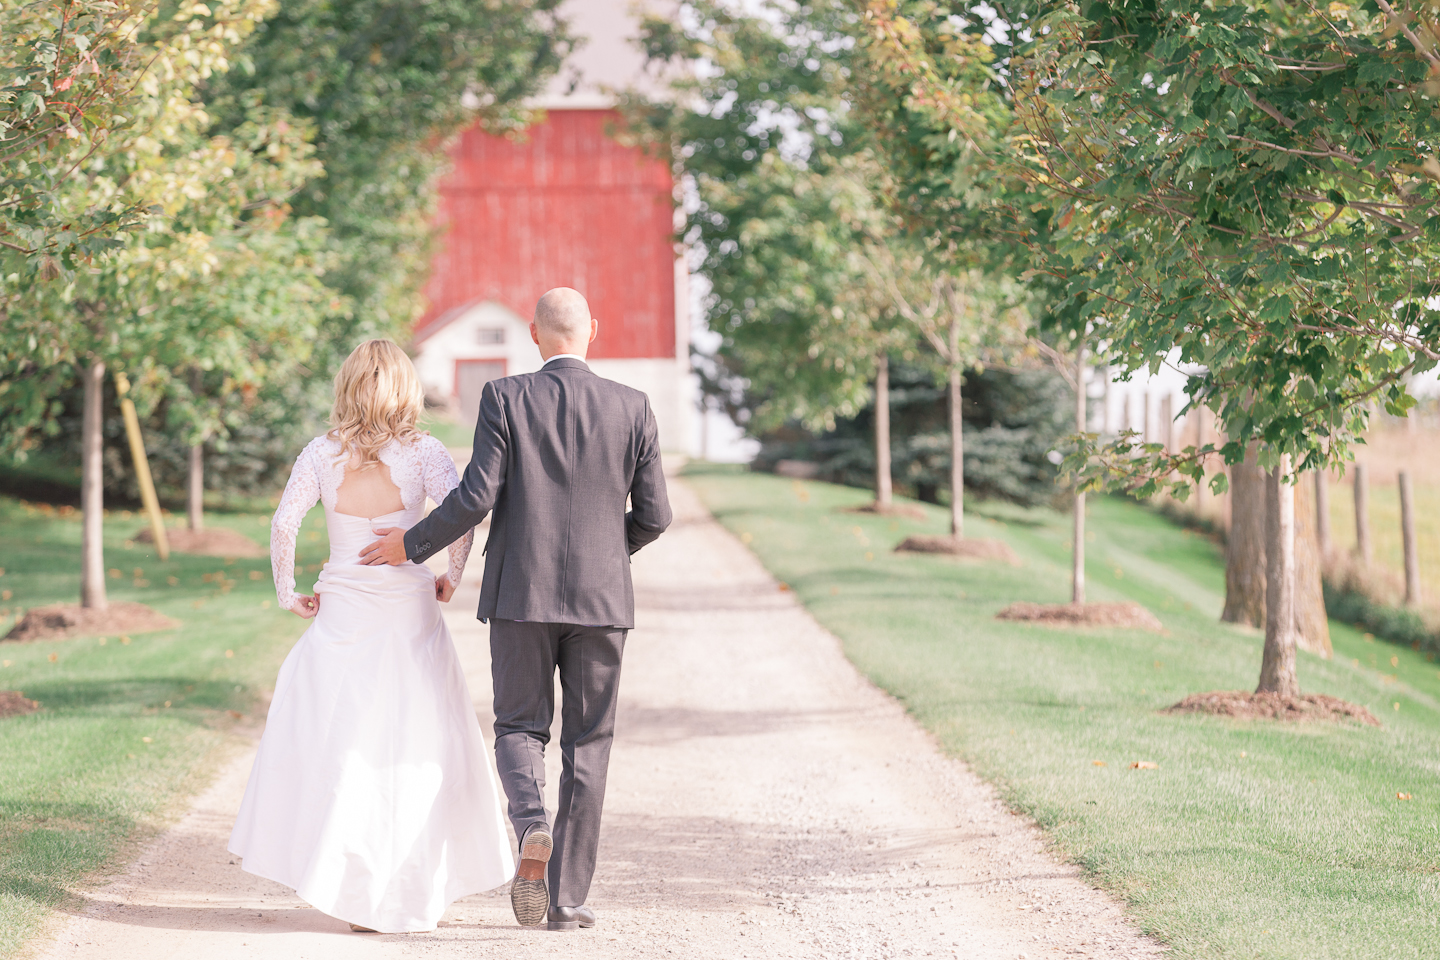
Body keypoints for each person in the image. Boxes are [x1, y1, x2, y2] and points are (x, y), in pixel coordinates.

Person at [360, 287, 672, 931]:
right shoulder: (634, 407)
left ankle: (531, 824)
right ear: (594, 331)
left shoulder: (504, 398)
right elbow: (656, 516)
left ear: (534, 335)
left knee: (519, 728)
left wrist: (411, 545)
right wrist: (614, 554)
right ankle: (566, 902)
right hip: (602, 603)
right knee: (590, 744)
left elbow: (476, 496)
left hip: (519, 596)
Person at [228, 340, 514, 934]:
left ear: (347, 387)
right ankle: (408, 888)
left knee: (342, 743)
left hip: (343, 614)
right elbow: (463, 513)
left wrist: (289, 592)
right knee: (414, 744)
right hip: (408, 608)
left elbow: (284, 523)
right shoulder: (425, 452)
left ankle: (352, 886)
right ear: (406, 389)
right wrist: (449, 577)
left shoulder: (319, 453)